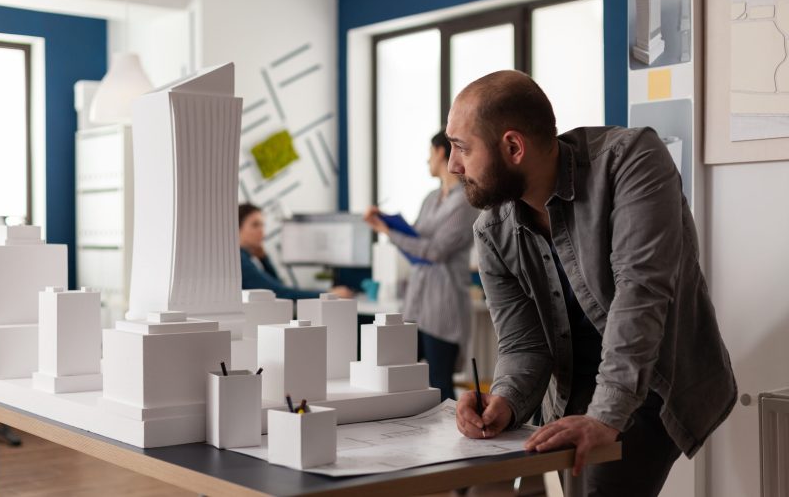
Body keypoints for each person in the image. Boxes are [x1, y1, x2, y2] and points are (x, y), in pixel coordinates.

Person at [449, 71, 736, 496]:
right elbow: (523, 344)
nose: (454, 165)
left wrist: (605, 416)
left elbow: (640, 294)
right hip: (571, 391)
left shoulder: (631, 160)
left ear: (512, 147)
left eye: (461, 147)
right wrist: (504, 401)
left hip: (653, 376)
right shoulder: (491, 231)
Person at [364, 131, 479, 401]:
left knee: (440, 385)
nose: (427, 159)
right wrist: (387, 223)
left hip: (443, 308)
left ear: (441, 152)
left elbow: (435, 251)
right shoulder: (431, 198)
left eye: (430, 152)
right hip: (416, 304)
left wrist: (387, 231)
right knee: (405, 381)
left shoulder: (466, 201)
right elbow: (416, 240)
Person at [239, 203, 353, 300]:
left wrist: (264, 259)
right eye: (255, 225)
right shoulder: (240, 260)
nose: (262, 231)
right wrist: (328, 295)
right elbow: (278, 293)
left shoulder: (244, 256)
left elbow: (277, 285)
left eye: (262, 225)